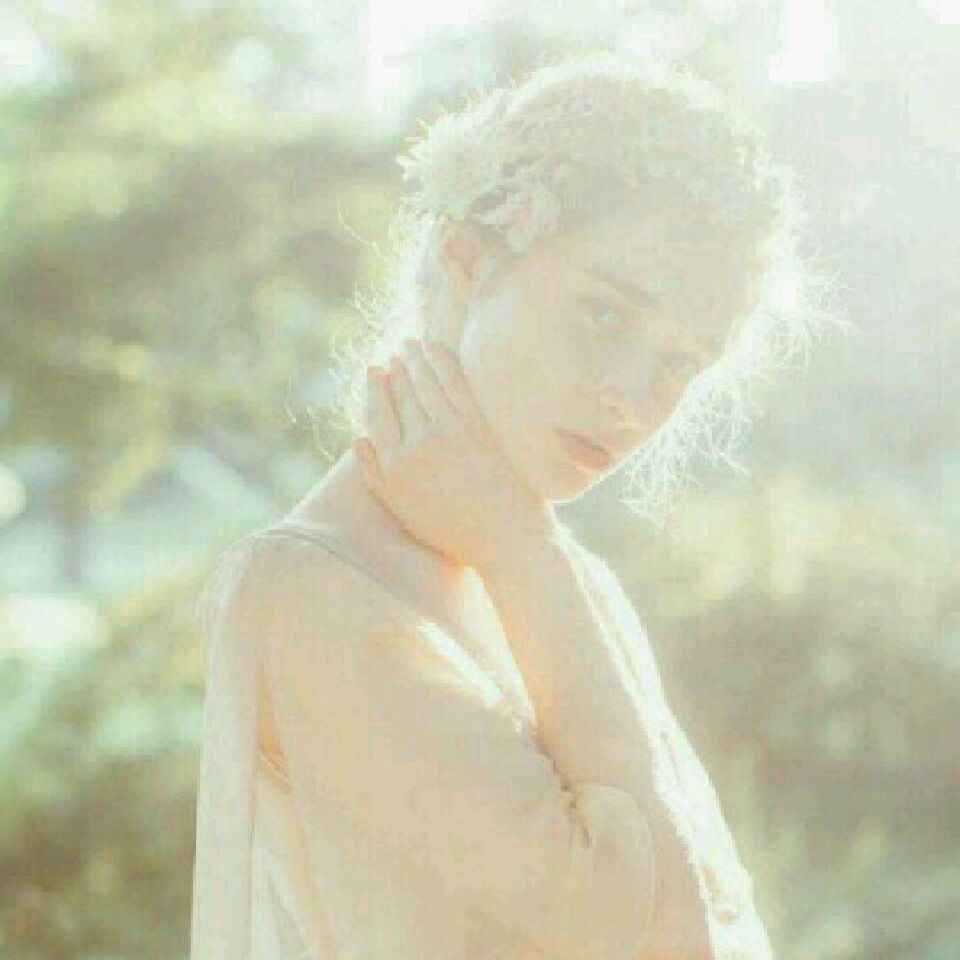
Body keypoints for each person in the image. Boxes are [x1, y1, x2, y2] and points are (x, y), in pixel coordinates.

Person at [191, 51, 840, 960]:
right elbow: (646, 935)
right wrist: (518, 550)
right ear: (466, 261)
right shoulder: (307, 592)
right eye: (605, 314)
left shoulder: (561, 578)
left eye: (680, 362)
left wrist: (520, 551)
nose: (632, 398)